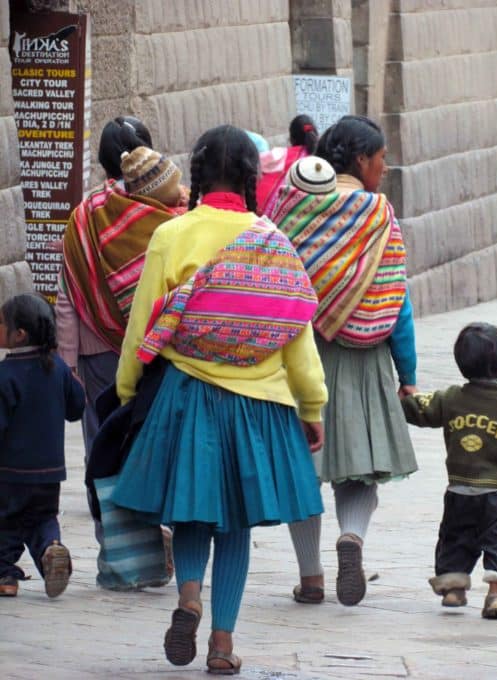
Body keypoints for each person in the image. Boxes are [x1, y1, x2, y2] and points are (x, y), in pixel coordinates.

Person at [111, 125, 327, 674]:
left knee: (192, 514)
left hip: (187, 398)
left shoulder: (173, 235)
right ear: (253, 178)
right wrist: (311, 405)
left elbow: (142, 326)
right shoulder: (272, 242)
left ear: (199, 174)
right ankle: (223, 644)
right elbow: (296, 333)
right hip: (259, 406)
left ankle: (188, 597)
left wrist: (129, 387)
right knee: (235, 528)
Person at [270, 115, 418, 607]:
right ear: (361, 160)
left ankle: (310, 577)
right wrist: (408, 375)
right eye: (381, 158)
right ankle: (351, 539)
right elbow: (398, 300)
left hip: (300, 354)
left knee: (301, 469)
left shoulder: (292, 206)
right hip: (363, 356)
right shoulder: (378, 214)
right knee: (359, 470)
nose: (385, 166)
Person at [56, 117, 186, 588]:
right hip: (156, 353)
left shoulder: (86, 216)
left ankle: (117, 556)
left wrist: (67, 362)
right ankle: (160, 531)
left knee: (103, 453)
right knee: (153, 445)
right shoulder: (170, 212)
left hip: (96, 356)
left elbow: (68, 295)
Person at [401, 323, 497, 620]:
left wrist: (404, 397)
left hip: (459, 490)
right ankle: (496, 595)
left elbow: (419, 408)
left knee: (456, 538)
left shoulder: (450, 398)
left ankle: (453, 589)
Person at [0, 294, 85, 598]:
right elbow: (77, 408)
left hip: (11, 473)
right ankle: (51, 548)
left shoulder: (5, 375)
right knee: (43, 519)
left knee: (5, 522)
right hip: (50, 473)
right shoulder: (58, 368)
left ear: (19, 334)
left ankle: (5, 576)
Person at [256, 114, 319, 216]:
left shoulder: (280, 154)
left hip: (270, 215)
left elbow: (255, 162)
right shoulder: (319, 161)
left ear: (291, 138)